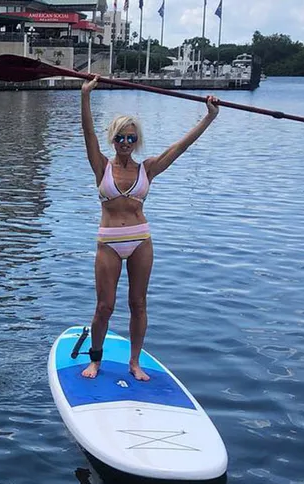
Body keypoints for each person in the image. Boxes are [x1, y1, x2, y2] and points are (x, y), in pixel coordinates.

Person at [78, 74, 219, 381]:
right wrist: (85, 96)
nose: (126, 143)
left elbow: (180, 147)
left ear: (136, 140)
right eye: (120, 138)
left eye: (131, 138)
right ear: (113, 139)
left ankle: (134, 362)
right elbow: (88, 133)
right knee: (105, 306)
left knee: (138, 304)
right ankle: (95, 360)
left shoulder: (148, 168)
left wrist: (208, 117)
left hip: (141, 240)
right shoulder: (101, 166)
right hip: (109, 243)